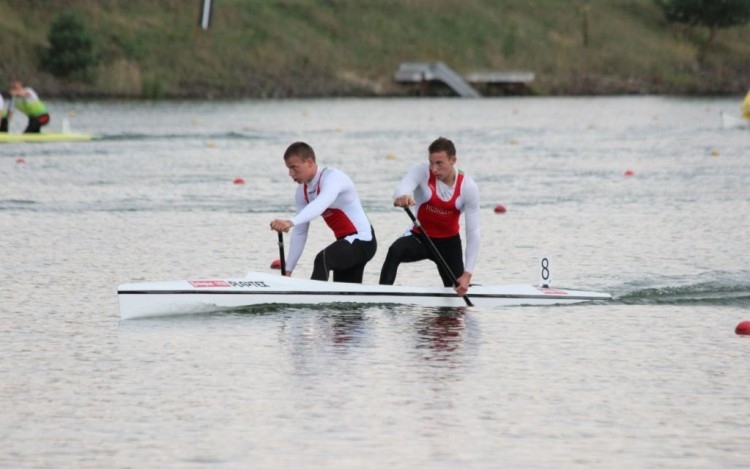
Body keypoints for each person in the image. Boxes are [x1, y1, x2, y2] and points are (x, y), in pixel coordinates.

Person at [379, 137, 480, 297]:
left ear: (453, 160)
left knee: (457, 289)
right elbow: (402, 188)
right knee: (395, 251)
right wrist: (403, 196)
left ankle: (476, 289)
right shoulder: (422, 171)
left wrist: (467, 275)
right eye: (431, 162)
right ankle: (381, 296)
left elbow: (473, 233)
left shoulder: (468, 187)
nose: (434, 169)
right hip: (421, 238)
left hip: (449, 245)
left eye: (439, 163)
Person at [270, 141, 377, 283]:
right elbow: (300, 232)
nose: (290, 173)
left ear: (309, 162)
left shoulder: (333, 178)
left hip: (363, 240)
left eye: (294, 168)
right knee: (345, 297)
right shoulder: (302, 192)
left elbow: (320, 205)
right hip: (345, 244)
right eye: (288, 169)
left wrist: (290, 222)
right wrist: (288, 270)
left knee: (323, 259)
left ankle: (312, 303)